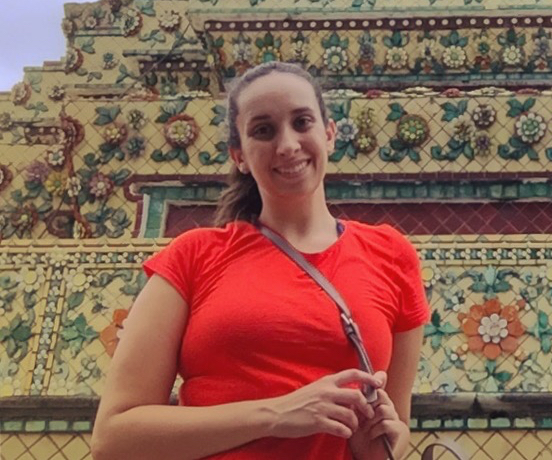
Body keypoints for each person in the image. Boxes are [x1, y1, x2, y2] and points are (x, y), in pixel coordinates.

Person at [91, 61, 429, 460]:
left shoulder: (391, 255)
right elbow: (114, 439)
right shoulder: (193, 257)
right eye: (263, 130)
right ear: (239, 156)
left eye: (302, 122)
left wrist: (374, 443)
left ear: (330, 133)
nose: (287, 145)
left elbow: (395, 426)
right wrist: (276, 414)